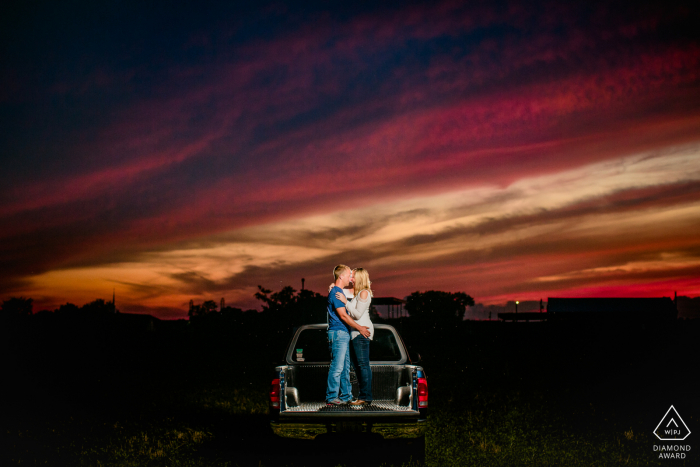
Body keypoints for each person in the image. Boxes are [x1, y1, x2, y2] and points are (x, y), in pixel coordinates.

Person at [326, 264, 371, 406]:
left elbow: (352, 306)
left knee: (345, 368)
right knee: (338, 367)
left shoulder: (347, 292)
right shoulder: (337, 292)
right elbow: (344, 316)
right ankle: (332, 397)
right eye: (349, 275)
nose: (350, 278)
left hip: (346, 333)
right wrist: (359, 327)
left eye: (353, 275)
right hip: (340, 332)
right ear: (342, 276)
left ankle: (346, 396)